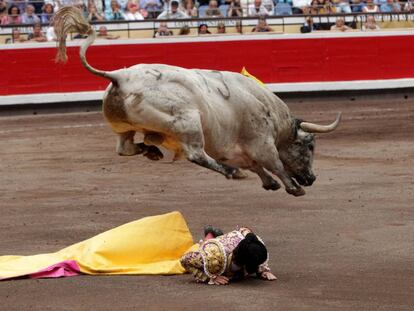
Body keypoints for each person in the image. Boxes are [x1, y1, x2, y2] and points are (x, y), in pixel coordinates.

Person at [180, 226, 277, 285]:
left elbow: (245, 229)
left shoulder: (254, 243)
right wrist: (209, 277)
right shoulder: (214, 257)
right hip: (213, 248)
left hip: (229, 243)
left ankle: (212, 234)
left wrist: (262, 270)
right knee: (203, 249)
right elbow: (184, 259)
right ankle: (209, 235)